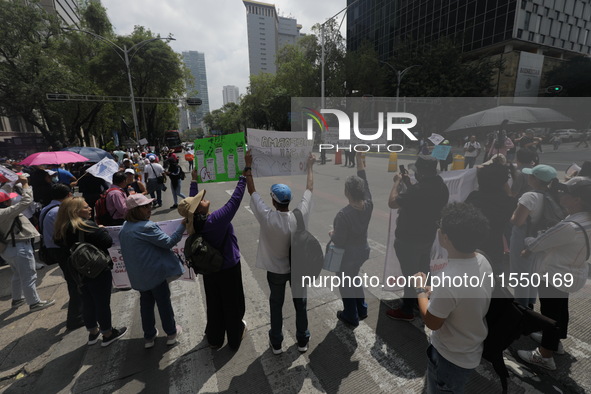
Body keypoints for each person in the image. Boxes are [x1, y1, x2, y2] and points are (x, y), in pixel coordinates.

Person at [413, 203, 492, 393]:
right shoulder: (482, 260)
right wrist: (437, 292)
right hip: (470, 348)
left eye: (441, 226)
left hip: (449, 356)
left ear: (446, 237)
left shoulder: (448, 280)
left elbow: (432, 322)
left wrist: (420, 291)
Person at [517, 177, 591, 370]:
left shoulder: (570, 226)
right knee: (560, 308)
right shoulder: (585, 219)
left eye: (566, 192)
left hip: (555, 275)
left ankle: (545, 354)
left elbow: (540, 243)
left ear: (578, 200)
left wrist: (526, 243)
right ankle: (555, 341)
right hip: (572, 273)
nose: (561, 194)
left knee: (549, 313)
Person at [247, 152, 316, 355]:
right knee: (300, 304)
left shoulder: (267, 217)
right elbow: (310, 188)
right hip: (298, 269)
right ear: (289, 200)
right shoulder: (299, 215)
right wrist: (310, 166)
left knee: (276, 305)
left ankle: (276, 343)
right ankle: (302, 340)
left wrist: (248, 166)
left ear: (274, 201)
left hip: (276, 272)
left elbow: (252, 192)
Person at [178, 161, 249, 350]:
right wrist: (243, 175)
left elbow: (191, 202)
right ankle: (234, 338)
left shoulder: (193, 224)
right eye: (199, 201)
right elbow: (235, 200)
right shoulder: (215, 220)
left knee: (214, 304)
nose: (202, 199)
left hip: (209, 270)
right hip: (228, 268)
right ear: (198, 210)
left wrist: (194, 180)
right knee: (232, 304)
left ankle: (215, 339)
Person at [53, 197, 127, 346]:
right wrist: (100, 230)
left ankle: (93, 332)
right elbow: (107, 242)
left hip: (76, 271)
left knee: (87, 301)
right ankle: (107, 333)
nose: (90, 209)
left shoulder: (62, 228)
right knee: (102, 302)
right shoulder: (86, 225)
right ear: (76, 211)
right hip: (96, 269)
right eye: (86, 207)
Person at [386, 155, 449, 321]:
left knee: (410, 276)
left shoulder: (417, 191)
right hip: (427, 237)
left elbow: (392, 202)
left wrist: (397, 182)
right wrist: (408, 184)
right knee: (423, 271)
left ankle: (407, 309)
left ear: (421, 173)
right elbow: (420, 198)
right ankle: (423, 300)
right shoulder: (441, 187)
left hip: (409, 239)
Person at [119, 194, 185, 348]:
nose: (149, 209)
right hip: (155, 274)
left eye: (149, 205)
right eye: (145, 206)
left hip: (139, 277)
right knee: (163, 303)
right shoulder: (146, 227)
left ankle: (149, 336)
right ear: (135, 210)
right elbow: (169, 242)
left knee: (146, 304)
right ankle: (171, 333)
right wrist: (183, 225)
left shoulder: (124, 228)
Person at [0, 175, 55, 311]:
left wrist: (13, 182)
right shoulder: (5, 212)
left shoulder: (3, 212)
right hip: (18, 247)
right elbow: (27, 201)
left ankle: (17, 299)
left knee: (18, 274)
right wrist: (25, 185)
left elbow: (4, 191)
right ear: (5, 203)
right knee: (29, 275)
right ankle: (34, 302)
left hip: (9, 248)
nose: (10, 201)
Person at [331, 152, 373, 327]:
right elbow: (364, 178)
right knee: (354, 277)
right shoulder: (369, 204)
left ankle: (351, 314)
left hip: (348, 255)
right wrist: (359, 159)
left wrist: (331, 235)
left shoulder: (343, 215)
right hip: (362, 249)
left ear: (347, 192)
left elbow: (339, 241)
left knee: (346, 283)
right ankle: (362, 309)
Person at [510, 164, 559, 308]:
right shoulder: (552, 195)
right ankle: (530, 305)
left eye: (531, 175)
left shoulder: (529, 196)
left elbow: (518, 221)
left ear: (535, 180)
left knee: (520, 275)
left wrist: (512, 215)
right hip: (539, 237)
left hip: (523, 238)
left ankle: (521, 309)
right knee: (532, 273)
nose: (528, 177)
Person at [40, 184, 84, 329]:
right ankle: (75, 319)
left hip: (53, 248)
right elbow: (67, 233)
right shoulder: (59, 211)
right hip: (63, 249)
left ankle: (79, 313)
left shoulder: (45, 209)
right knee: (75, 282)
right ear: (68, 195)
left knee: (73, 280)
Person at [465, 164, 516, 275]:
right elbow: (510, 196)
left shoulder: (474, 198)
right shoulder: (508, 202)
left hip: (472, 249)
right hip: (495, 250)